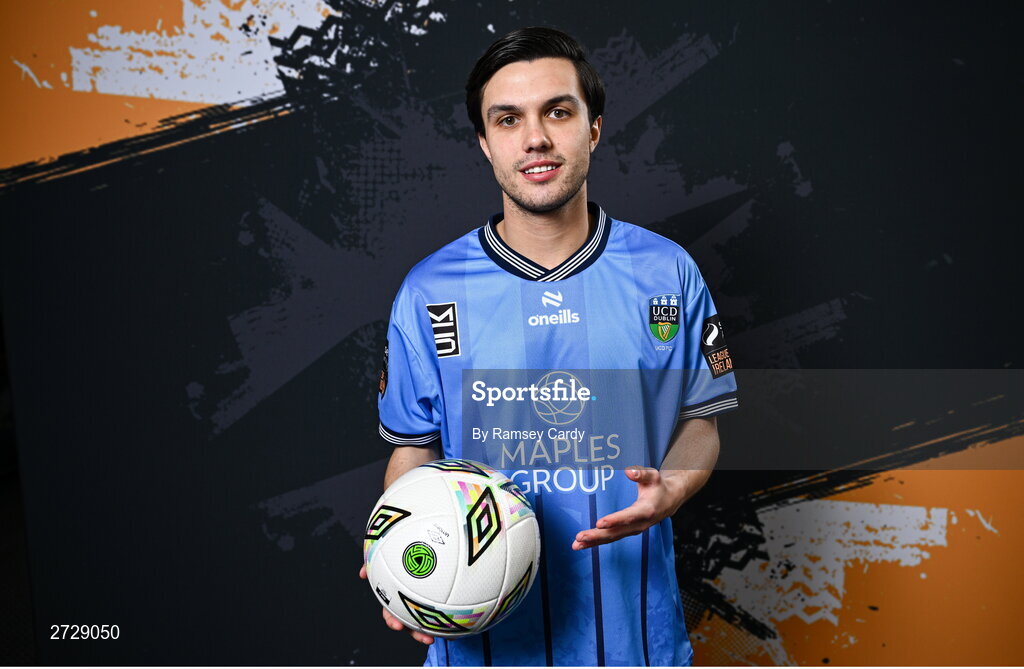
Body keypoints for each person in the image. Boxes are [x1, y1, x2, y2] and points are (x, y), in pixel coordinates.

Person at [359, 26, 738, 666]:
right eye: (508, 119)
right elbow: (412, 446)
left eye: (557, 111)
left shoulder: (666, 273)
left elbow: (702, 420)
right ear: (484, 144)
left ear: (592, 127)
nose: (536, 137)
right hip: (480, 647)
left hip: (635, 644)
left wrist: (672, 486)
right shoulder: (429, 292)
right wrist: (397, 552)